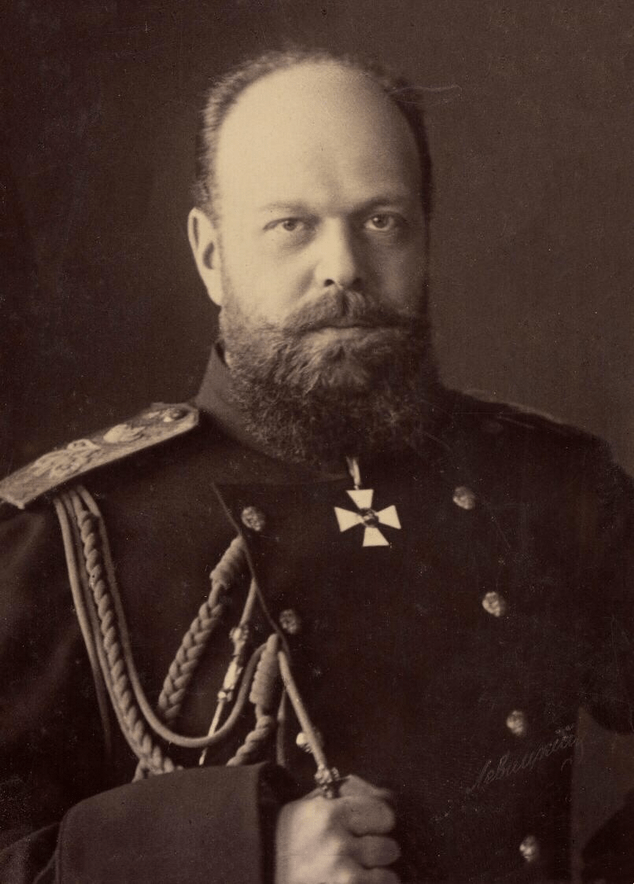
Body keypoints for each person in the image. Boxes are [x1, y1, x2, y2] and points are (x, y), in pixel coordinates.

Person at [0, 46, 632, 884]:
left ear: (425, 236)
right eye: (291, 224)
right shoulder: (69, 534)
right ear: (211, 254)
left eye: (382, 221)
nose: (343, 268)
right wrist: (238, 852)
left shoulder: (554, 483)